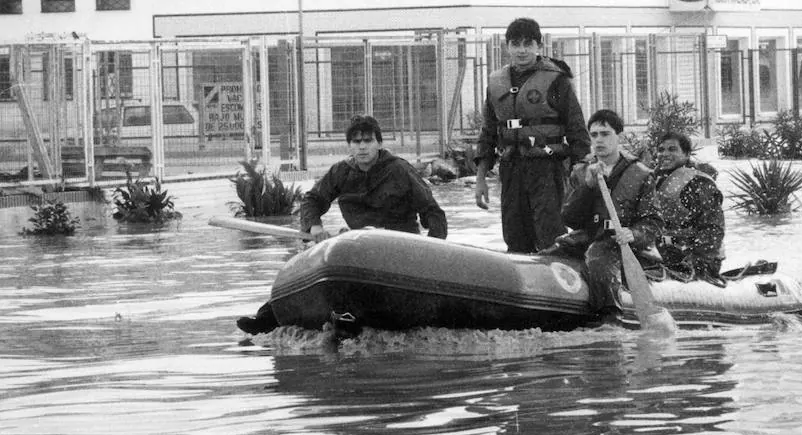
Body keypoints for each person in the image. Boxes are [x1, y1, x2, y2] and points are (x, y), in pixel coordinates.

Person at [236, 115, 448, 334]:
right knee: (314, 272)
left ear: (379, 143)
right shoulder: (341, 171)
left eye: (368, 141)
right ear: (349, 145)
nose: (362, 147)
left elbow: (433, 213)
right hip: (361, 247)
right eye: (356, 142)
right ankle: (266, 318)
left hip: (400, 248)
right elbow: (312, 200)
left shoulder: (399, 170)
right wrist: (315, 226)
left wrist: (430, 253)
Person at [473, 17, 590, 253]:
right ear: (508, 47)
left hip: (547, 168)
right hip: (512, 169)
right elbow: (488, 133)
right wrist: (480, 178)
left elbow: (577, 129)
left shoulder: (558, 80)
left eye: (528, 43)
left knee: (550, 235)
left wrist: (582, 167)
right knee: (515, 237)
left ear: (539, 46)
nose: (522, 50)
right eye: (516, 44)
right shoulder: (496, 83)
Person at [549, 109, 662, 321]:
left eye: (605, 134)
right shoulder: (581, 171)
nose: (599, 140)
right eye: (594, 135)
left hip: (619, 243)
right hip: (587, 237)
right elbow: (569, 219)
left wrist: (633, 234)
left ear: (618, 135)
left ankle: (609, 319)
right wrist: (588, 186)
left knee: (598, 260)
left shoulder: (641, 174)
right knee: (550, 252)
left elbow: (654, 223)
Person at [653, 131, 725, 283]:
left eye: (672, 149)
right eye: (661, 150)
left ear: (686, 154)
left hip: (694, 257)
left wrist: (699, 263)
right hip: (665, 252)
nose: (664, 154)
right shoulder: (655, 179)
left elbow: (712, 228)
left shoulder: (699, 184)